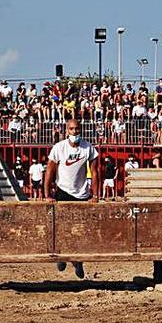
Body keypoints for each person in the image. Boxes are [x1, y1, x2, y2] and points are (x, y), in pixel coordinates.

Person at [44, 119, 99, 279]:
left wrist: (95, 195)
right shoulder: (59, 148)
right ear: (66, 130)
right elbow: (49, 171)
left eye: (77, 129)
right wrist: (47, 195)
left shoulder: (88, 148)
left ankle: (78, 261)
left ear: (80, 130)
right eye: (71, 129)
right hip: (63, 191)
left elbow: (94, 172)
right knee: (61, 227)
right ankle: (62, 257)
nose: (74, 132)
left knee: (81, 229)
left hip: (82, 194)